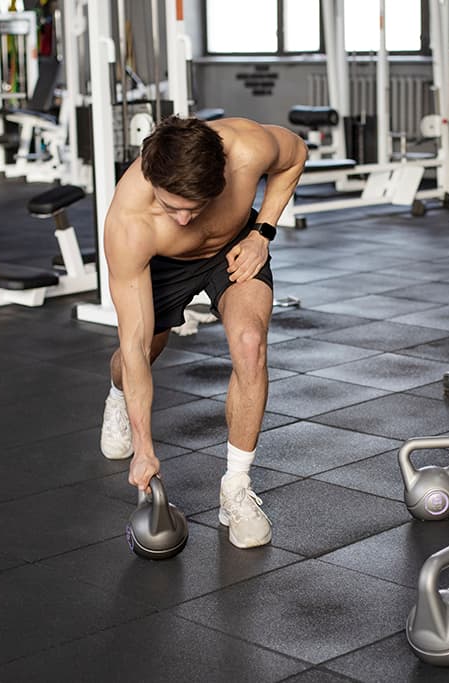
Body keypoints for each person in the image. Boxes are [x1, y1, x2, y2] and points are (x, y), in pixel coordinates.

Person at [99, 115, 307, 549]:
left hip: (235, 247)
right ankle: (117, 397)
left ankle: (236, 488)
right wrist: (144, 446)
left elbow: (295, 156)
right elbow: (134, 348)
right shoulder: (130, 223)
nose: (181, 219)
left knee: (250, 345)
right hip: (163, 266)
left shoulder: (248, 147)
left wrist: (262, 234)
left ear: (222, 174)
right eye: (169, 205)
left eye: (193, 207)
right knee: (141, 353)